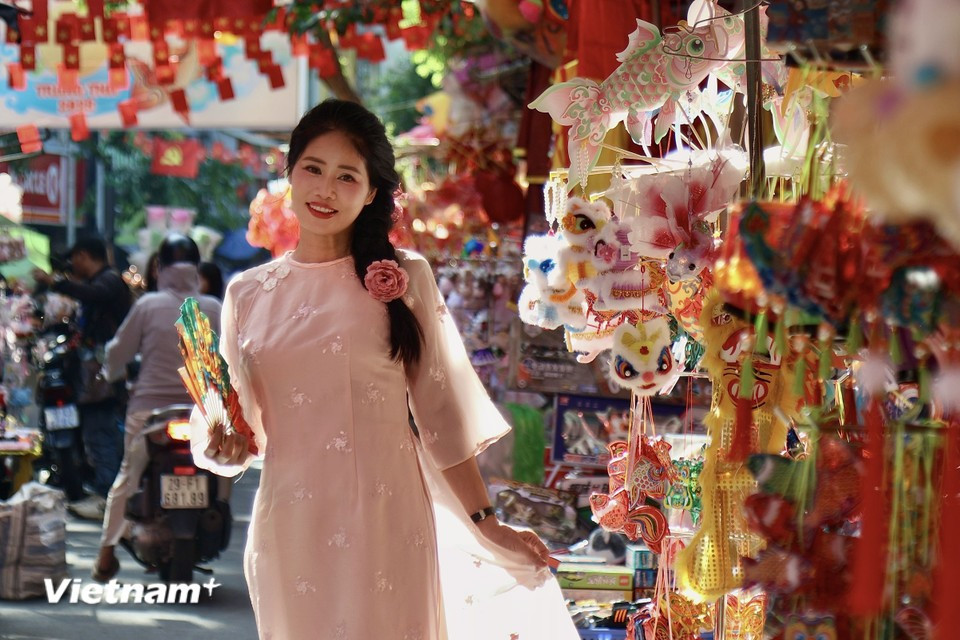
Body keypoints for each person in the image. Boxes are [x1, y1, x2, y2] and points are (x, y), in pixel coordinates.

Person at [191, 99, 578, 640]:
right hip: (290, 530)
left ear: (372, 192)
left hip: (386, 523)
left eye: (346, 176)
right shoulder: (246, 294)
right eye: (313, 169)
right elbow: (240, 427)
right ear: (290, 173)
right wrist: (220, 444)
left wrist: (489, 526)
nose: (325, 190)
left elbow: (442, 420)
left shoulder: (403, 277)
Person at [90, 234, 222, 582]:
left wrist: (111, 373)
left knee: (126, 478)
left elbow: (118, 352)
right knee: (223, 469)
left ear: (161, 268)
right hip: (202, 414)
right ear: (196, 269)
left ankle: (106, 556)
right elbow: (230, 361)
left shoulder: (148, 305)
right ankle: (217, 508)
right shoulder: (212, 308)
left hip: (148, 413)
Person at [33, 236, 132, 519]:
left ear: (85, 255)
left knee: (101, 433)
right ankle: (103, 490)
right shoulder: (100, 282)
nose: (72, 263)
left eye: (74, 257)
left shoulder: (109, 281)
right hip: (93, 376)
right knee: (96, 434)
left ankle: (106, 497)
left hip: (103, 378)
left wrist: (57, 282)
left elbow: (93, 296)